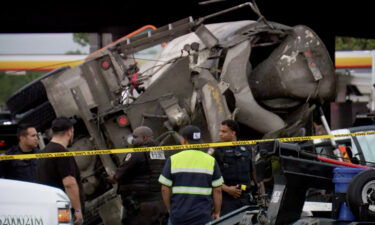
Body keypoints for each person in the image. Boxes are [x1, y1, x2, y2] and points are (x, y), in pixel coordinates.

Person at [159, 125, 223, 225]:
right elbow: (217, 190)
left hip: (178, 216)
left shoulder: (173, 159)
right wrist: (217, 212)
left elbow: (164, 189)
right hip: (203, 216)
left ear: (184, 140)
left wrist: (170, 209)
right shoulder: (211, 161)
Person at [107, 126, 167, 225]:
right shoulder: (160, 153)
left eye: (135, 137)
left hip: (141, 206)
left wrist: (111, 177)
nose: (132, 140)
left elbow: (118, 176)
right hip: (159, 203)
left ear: (145, 138)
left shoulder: (137, 153)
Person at [36, 117, 84, 225]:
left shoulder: (43, 154)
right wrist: (77, 210)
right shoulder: (62, 153)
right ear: (69, 132)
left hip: (53, 208)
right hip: (64, 208)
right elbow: (69, 183)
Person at [212, 119, 256, 215]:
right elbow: (210, 178)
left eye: (224, 131)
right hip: (227, 200)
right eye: (219, 131)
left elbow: (254, 173)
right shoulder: (216, 150)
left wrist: (260, 193)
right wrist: (228, 189)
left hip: (246, 196)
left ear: (233, 133)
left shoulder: (247, 148)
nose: (220, 134)